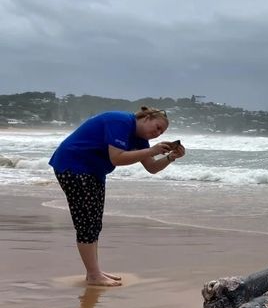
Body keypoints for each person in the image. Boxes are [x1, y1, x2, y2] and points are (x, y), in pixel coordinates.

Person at [49, 106, 186, 287]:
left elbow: (151, 168)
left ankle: (94, 271)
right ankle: (93, 274)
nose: (158, 133)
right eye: (158, 127)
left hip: (93, 171)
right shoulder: (120, 121)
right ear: (146, 118)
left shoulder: (140, 139)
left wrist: (170, 158)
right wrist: (152, 151)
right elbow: (117, 158)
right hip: (74, 166)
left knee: (94, 223)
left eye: (162, 132)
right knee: (86, 224)